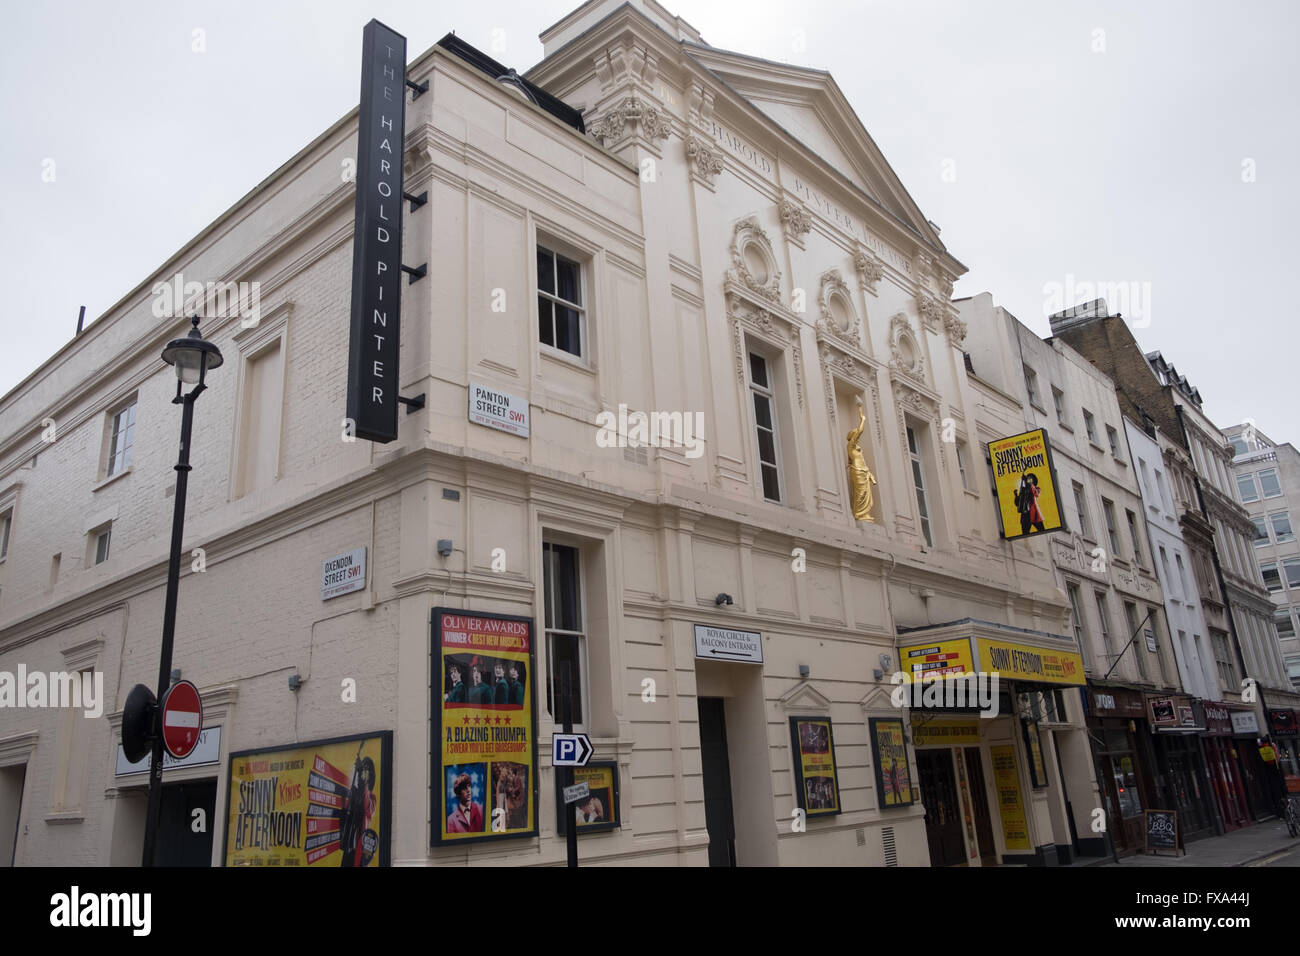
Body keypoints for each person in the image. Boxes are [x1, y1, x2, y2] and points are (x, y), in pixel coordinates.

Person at [339, 755, 376, 867]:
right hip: (349, 844)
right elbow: (345, 819)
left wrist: (360, 774)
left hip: (359, 846)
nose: (365, 771)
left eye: (367, 769)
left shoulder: (372, 798)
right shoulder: (355, 792)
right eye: (363, 768)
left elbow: (366, 804)